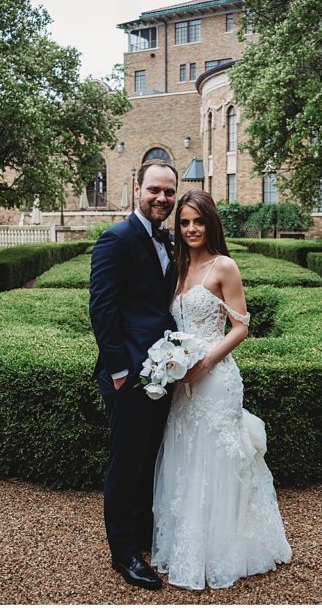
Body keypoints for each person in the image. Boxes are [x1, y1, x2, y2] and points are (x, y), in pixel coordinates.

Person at [152, 189, 292, 590]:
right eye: (184, 222)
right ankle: (188, 546)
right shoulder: (177, 267)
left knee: (218, 458)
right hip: (183, 382)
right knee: (186, 455)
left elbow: (242, 327)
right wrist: (173, 363)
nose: (191, 228)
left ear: (211, 223)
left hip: (215, 379)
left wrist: (204, 363)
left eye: (198, 221)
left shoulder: (224, 266)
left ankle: (227, 547)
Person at [89, 160, 178, 591]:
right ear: (137, 188)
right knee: (125, 463)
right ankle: (123, 552)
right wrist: (120, 373)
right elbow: (102, 312)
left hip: (163, 374)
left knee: (149, 459)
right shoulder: (116, 240)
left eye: (169, 192)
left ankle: (143, 534)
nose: (162, 198)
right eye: (155, 190)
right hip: (129, 377)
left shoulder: (171, 241)